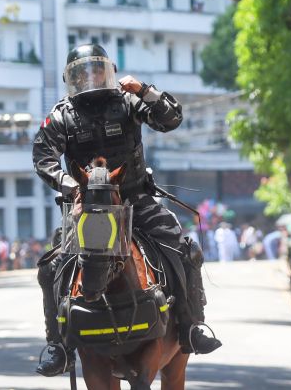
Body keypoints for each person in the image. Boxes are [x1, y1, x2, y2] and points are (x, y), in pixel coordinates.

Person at [32, 44, 222, 377]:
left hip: (135, 200)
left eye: (96, 70)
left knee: (184, 248)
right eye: (81, 73)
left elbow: (171, 120)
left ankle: (192, 325)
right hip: (86, 207)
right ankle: (58, 346)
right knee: (52, 268)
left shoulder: (127, 100)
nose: (90, 79)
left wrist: (146, 91)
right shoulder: (61, 114)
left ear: (109, 71)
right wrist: (69, 186)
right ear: (70, 79)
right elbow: (43, 158)